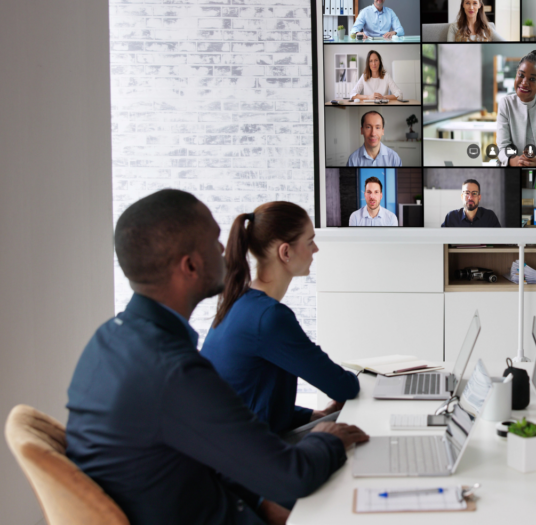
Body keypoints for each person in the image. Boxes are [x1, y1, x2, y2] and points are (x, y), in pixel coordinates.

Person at [65, 189, 369, 525]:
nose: (225, 249)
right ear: (191, 265)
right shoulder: (172, 371)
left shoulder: (110, 340)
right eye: (214, 241)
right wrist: (329, 438)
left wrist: (257, 499)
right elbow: (291, 476)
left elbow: (199, 443)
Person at [201, 201, 360, 438]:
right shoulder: (269, 318)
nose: (315, 249)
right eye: (309, 241)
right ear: (285, 252)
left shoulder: (237, 302)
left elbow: (246, 399)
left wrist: (310, 416)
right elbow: (344, 387)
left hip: (229, 449)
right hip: (250, 459)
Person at [497, 50, 536, 167]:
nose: (524, 83)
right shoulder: (505, 103)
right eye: (521, 75)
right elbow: (502, 146)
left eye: (532, 79)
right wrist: (515, 161)